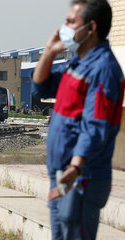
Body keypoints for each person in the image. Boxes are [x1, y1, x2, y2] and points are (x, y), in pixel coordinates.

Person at [31, 0, 125, 239]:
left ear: (90, 29)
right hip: (63, 174)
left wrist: (75, 166)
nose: (63, 27)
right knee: (62, 234)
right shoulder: (78, 62)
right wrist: (49, 52)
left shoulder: (104, 69)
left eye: (71, 22)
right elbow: (40, 88)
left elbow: (97, 125)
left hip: (82, 176)